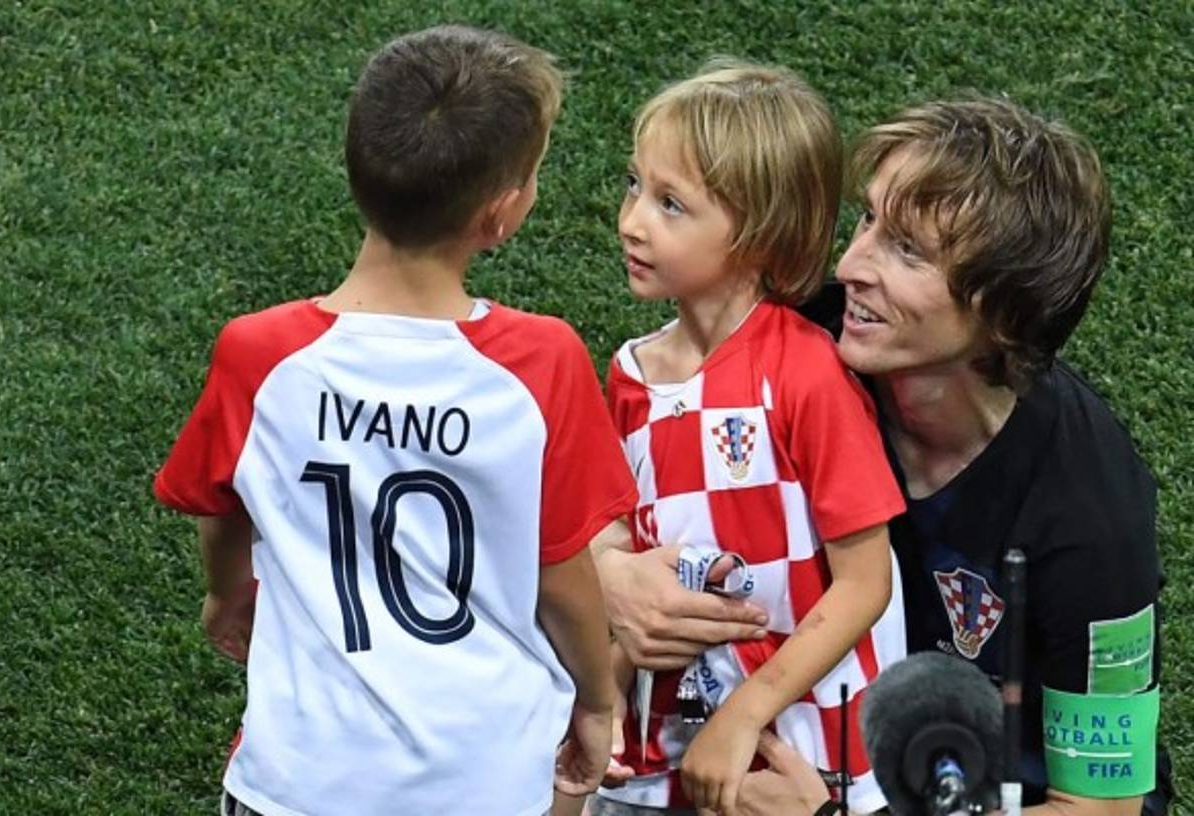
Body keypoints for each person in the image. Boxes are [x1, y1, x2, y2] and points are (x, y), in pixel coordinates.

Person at [596, 95, 1170, 816]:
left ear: (1001, 312)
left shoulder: (1092, 518)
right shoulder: (804, 346)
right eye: (868, 219)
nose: (850, 263)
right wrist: (612, 574)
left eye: (909, 251)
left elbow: (1102, 811)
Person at [153, 26, 637, 816]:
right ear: (501, 214)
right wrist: (595, 695)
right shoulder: (538, 362)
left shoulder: (261, 354)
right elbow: (561, 572)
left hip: (297, 784)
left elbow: (220, 508)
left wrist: (224, 594)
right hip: (485, 781)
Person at [589, 60, 908, 816]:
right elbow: (617, 544)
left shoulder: (806, 372)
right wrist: (599, 690)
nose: (632, 220)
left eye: (671, 204)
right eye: (636, 185)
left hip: (789, 746)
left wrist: (743, 716)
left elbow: (865, 584)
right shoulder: (629, 374)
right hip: (658, 743)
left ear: (760, 235)